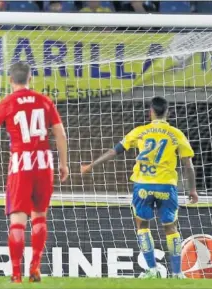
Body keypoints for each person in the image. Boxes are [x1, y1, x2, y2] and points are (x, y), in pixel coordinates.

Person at [0, 62, 69, 283]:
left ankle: (17, 274)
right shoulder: (45, 101)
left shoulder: (7, 103)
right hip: (44, 163)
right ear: (30, 79)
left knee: (18, 220)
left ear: (11, 80)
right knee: (40, 216)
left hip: (21, 165)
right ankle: (35, 268)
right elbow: (60, 134)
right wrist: (63, 164)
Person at [81, 96, 198, 279]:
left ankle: (151, 270)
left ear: (150, 111)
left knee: (142, 225)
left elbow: (114, 151)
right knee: (171, 228)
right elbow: (188, 165)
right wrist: (192, 190)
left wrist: (91, 165)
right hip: (166, 186)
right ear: (168, 112)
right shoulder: (176, 134)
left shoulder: (140, 131)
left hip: (143, 185)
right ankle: (177, 272)